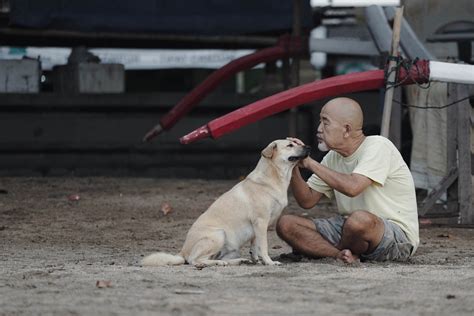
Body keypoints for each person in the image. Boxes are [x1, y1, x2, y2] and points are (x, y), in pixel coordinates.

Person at [276, 97, 419, 263]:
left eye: (325, 122)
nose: (319, 129)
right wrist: (292, 164)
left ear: (346, 129)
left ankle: (337, 250)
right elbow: (306, 200)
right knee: (286, 224)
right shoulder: (332, 157)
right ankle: (341, 255)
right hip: (349, 230)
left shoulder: (379, 145)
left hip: (394, 235)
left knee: (359, 221)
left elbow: (353, 187)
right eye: (320, 122)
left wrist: (309, 162)